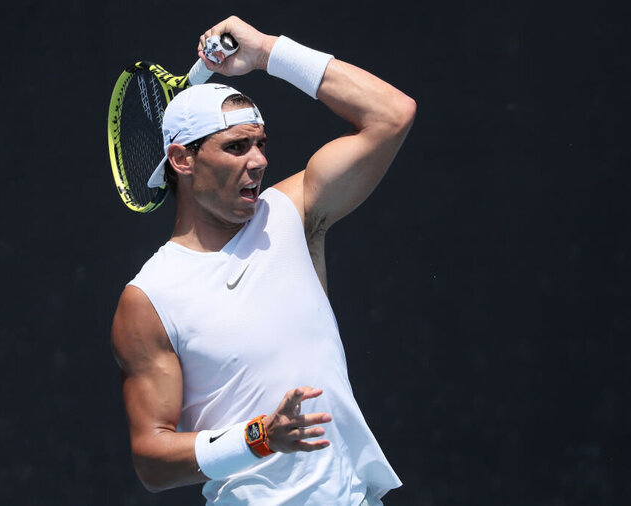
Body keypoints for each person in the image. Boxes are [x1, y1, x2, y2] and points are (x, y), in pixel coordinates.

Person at [111, 15, 416, 505]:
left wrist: (268, 52)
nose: (258, 161)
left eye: (260, 144)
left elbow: (392, 114)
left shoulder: (290, 213)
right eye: (236, 147)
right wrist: (256, 438)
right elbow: (151, 458)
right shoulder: (149, 299)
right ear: (182, 159)